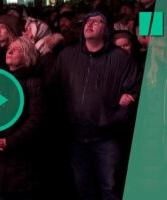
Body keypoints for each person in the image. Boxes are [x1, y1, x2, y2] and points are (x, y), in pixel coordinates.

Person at [52, 10, 140, 200]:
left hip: (107, 137)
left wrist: (112, 120)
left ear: (106, 30)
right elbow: (54, 91)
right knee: (83, 189)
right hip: (75, 137)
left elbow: (133, 94)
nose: (89, 25)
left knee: (110, 189)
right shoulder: (67, 56)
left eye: (96, 22)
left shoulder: (120, 58)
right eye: (87, 21)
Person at [0, 36, 46, 200]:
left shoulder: (34, 82)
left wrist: (10, 141)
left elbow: (36, 120)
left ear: (27, 56)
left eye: (17, 50)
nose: (10, 51)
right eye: (10, 48)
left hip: (21, 159)